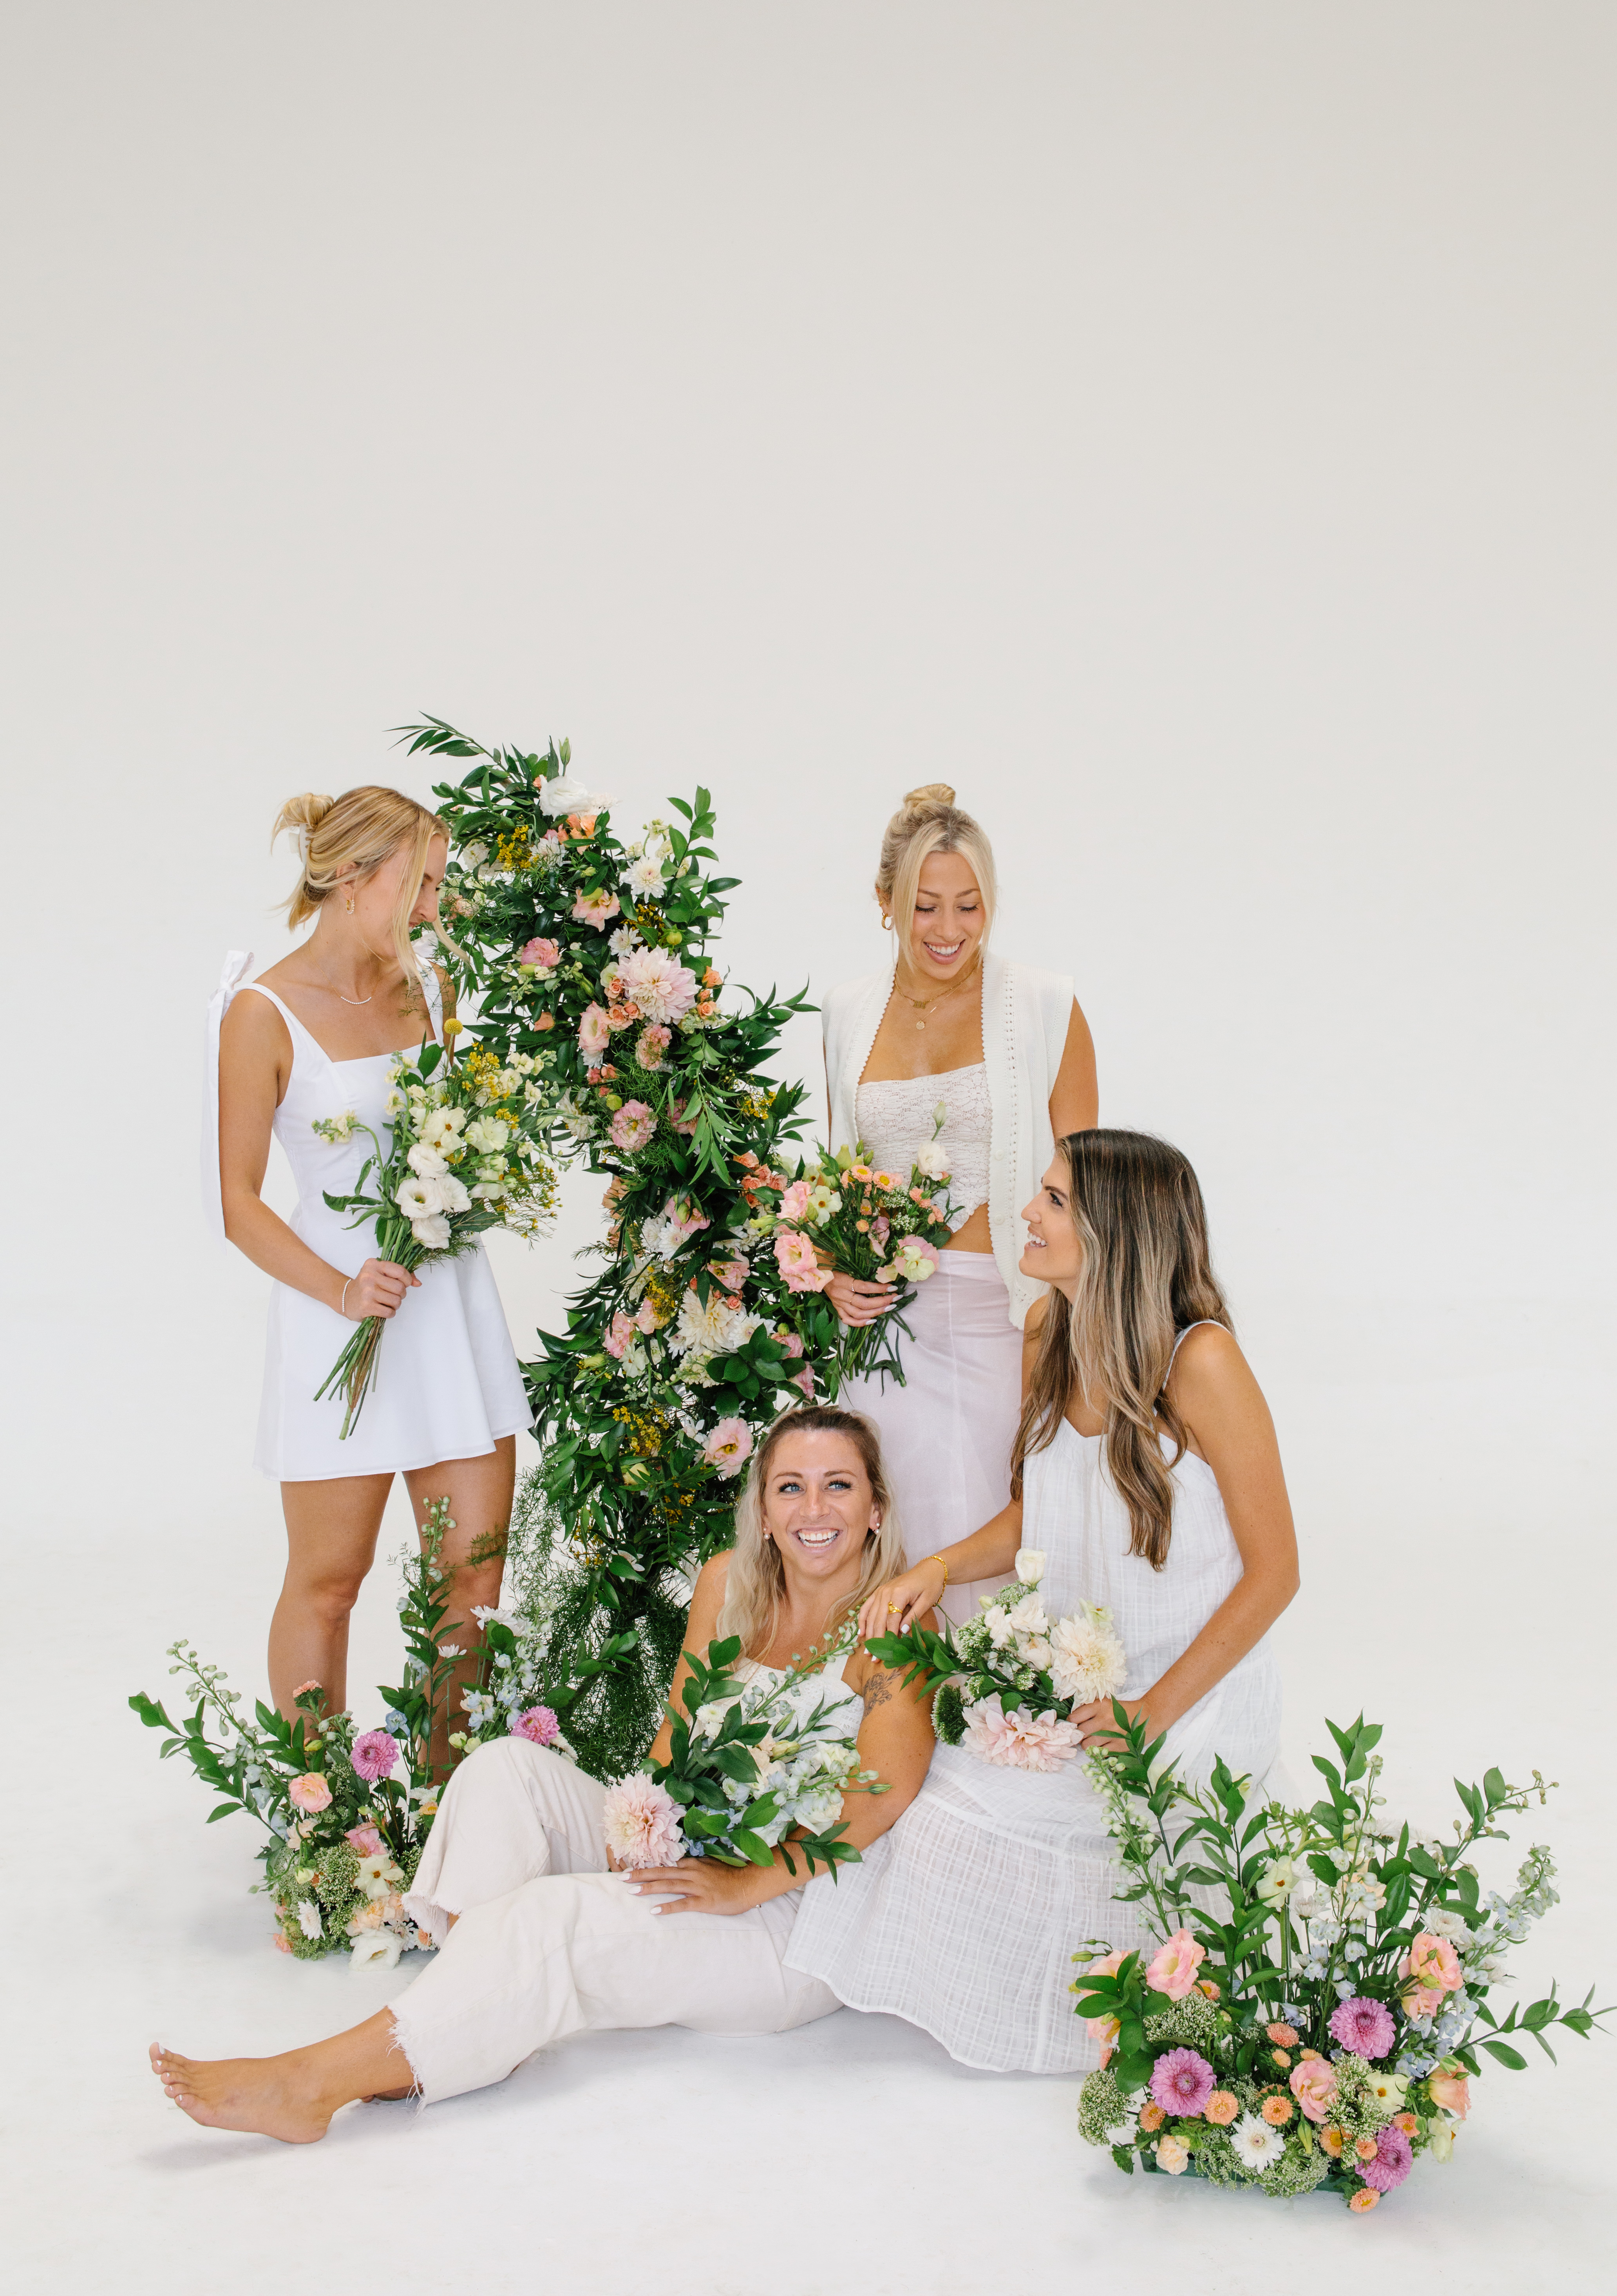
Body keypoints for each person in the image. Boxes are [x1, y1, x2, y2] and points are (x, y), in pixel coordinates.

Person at [148, 1407, 937, 2139]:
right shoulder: (730, 1583)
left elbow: (882, 1797)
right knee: (504, 1770)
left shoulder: (897, 1623)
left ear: (876, 1507)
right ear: (763, 1511)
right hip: (694, 1855)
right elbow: (675, 1732)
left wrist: (741, 1885)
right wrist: (648, 1825)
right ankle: (463, 2023)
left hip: (787, 1927)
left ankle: (312, 2086)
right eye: (790, 1488)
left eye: (840, 1486)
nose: (814, 1510)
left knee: (548, 1917)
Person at [786, 1129, 1300, 2075]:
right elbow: (1041, 1507)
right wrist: (934, 1567)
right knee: (921, 1791)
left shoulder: (1202, 1364)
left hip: (1188, 1694)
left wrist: (1150, 1714)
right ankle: (958, 1985)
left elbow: (1276, 1573)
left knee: (983, 1821)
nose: (1027, 1211)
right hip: (1080, 1673)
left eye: (1055, 1200)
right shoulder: (1047, 1333)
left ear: (1119, 1231)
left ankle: (1073, 2017)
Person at [207, 786, 532, 1733]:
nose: (434, 908)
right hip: (339, 1318)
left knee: (471, 1582)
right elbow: (236, 1202)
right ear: (354, 880)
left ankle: (444, 1814)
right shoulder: (261, 1014)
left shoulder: (432, 989)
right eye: (421, 884)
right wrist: (343, 1289)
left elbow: (465, 1126)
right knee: (329, 1583)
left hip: (450, 1310)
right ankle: (326, 1834)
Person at [820, 786, 1097, 1620]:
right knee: (886, 1541)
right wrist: (833, 1274)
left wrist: (1059, 1332)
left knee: (1003, 1536)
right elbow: (841, 1182)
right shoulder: (844, 1012)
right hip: (881, 1334)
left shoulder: (1046, 1005)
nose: (948, 931)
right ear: (885, 904)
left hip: (1009, 1320)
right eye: (925, 907)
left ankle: (1008, 1734)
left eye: (969, 907)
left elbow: (1090, 1193)